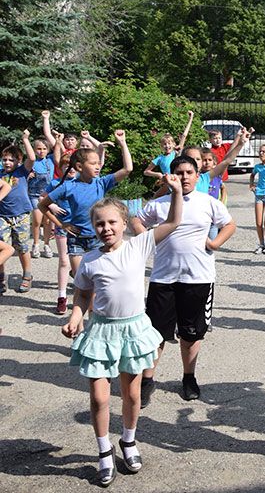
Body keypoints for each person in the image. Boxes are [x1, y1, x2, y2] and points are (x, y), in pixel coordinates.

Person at [61, 178, 183, 486]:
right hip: (101, 331)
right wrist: (76, 315)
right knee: (100, 398)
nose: (106, 228)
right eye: (100, 224)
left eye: (112, 222)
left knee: (132, 395)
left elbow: (173, 221)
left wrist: (177, 191)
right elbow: (83, 294)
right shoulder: (89, 260)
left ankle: (128, 441)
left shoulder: (139, 245)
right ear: (93, 227)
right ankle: (103, 450)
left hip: (133, 329)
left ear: (124, 222)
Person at [132, 153, 238, 406]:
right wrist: (147, 241)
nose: (184, 177)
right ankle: (147, 380)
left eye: (188, 173)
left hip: (198, 278)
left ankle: (189, 377)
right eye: (178, 173)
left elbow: (229, 225)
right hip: (163, 277)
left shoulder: (207, 202)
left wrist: (214, 243)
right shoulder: (159, 204)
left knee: (192, 333)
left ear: (197, 175)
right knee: (156, 333)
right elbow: (136, 220)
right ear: (170, 177)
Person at [40, 131, 133, 285]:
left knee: (99, 281)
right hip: (76, 240)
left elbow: (127, 169)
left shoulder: (101, 183)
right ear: (79, 166)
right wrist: (61, 224)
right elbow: (42, 205)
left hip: (99, 239)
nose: (98, 167)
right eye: (93, 164)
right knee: (82, 282)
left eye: (98, 163)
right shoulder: (67, 187)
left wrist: (122, 143)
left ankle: (95, 309)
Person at [0, 132, 36, 294]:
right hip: (2, 216)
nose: (7, 162)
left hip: (21, 214)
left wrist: (25, 140)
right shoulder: (0, 175)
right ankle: (1, 277)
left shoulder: (22, 171)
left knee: (22, 247)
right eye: (5, 159)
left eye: (11, 159)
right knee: (3, 248)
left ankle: (27, 275)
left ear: (18, 161)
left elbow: (32, 158)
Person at [44, 151, 77, 314]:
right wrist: (52, 206)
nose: (70, 169)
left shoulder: (83, 182)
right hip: (62, 226)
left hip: (81, 228)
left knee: (81, 263)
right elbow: (42, 199)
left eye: (73, 166)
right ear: (61, 168)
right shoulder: (55, 183)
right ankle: (62, 297)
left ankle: (82, 295)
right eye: (66, 166)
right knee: (64, 261)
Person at [26, 134, 54, 259]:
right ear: (34, 149)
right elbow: (21, 178)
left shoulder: (51, 160)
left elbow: (57, 147)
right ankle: (36, 244)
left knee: (47, 221)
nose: (41, 151)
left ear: (47, 150)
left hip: (48, 195)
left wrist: (57, 139)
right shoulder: (31, 162)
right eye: (38, 148)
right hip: (34, 195)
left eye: (44, 149)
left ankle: (46, 244)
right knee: (37, 220)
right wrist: (28, 176)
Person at [142, 112, 192, 182]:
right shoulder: (160, 158)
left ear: (173, 144)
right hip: (168, 184)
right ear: (161, 146)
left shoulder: (176, 153)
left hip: (179, 181)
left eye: (169, 143)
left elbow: (184, 136)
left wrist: (191, 118)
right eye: (164, 144)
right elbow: (146, 172)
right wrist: (158, 174)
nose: (167, 146)